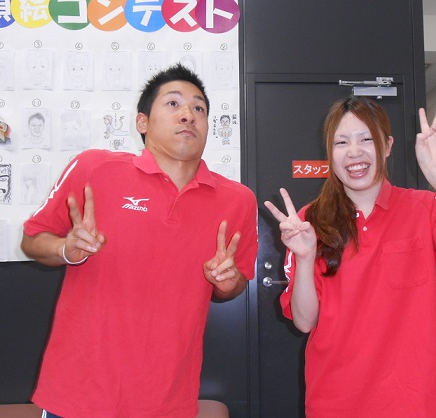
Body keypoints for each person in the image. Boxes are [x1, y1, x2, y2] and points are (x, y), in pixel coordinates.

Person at [21, 63, 258, 418]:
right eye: (173, 103)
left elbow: (234, 285)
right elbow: (31, 239)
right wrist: (65, 249)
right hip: (78, 394)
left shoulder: (238, 200)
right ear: (142, 122)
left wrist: (228, 282)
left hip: (167, 399)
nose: (188, 115)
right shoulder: (94, 168)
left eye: (199, 108)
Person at [264, 97, 436, 418]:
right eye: (341, 142)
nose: (354, 152)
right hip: (336, 400)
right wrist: (304, 257)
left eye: (366, 139)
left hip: (414, 402)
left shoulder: (423, 207)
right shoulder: (310, 220)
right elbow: (305, 321)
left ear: (387, 146)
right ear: (330, 153)